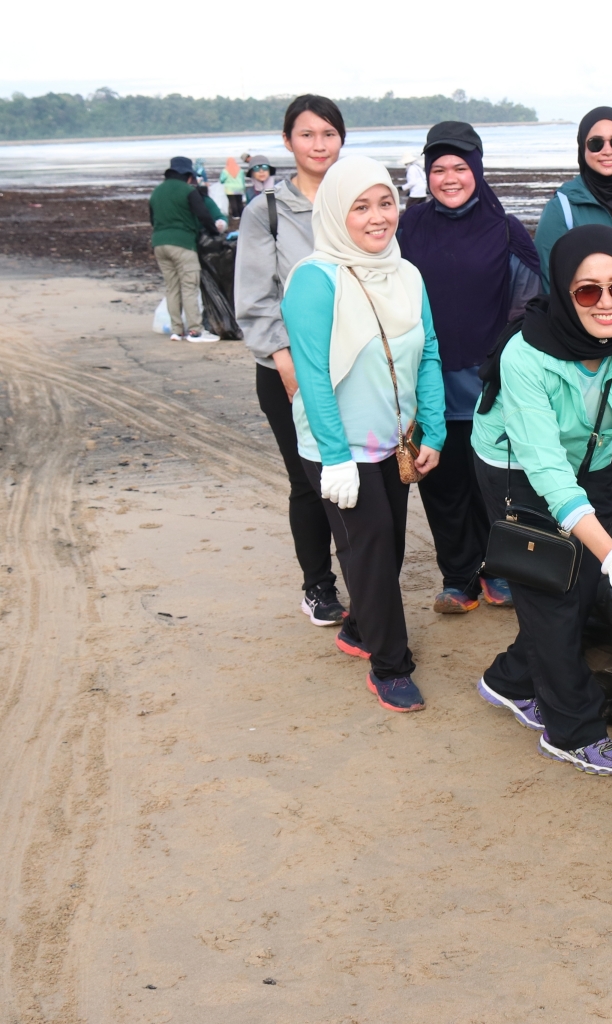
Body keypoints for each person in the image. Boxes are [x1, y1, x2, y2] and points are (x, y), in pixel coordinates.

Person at [471, 225, 612, 776]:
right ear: (564, 292)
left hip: (593, 458)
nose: (607, 303)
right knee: (553, 590)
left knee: (587, 578)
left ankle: (508, 681)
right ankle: (571, 730)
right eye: (588, 291)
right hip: (516, 466)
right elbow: (546, 470)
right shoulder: (525, 356)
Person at [281, 155, 445, 712]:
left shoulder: (408, 273)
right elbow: (312, 376)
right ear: (334, 213)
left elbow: (428, 355)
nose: (379, 218)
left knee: (387, 546)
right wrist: (335, 458)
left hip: (392, 440)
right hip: (335, 447)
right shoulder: (314, 279)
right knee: (371, 550)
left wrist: (434, 430)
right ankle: (390, 665)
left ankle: (356, 629)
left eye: (386, 202)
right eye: (361, 206)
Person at [398, 120, 542, 613]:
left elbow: (528, 303)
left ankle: (497, 571)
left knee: (494, 487)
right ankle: (458, 578)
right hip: (427, 384)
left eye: (460, 167)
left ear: (477, 170)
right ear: (427, 174)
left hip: (489, 384)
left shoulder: (503, 228)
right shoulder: (408, 227)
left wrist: (501, 361)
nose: (450, 178)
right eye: (438, 169)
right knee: (442, 486)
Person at [235, 94, 350, 626]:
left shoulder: (356, 198)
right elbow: (255, 298)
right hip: (288, 372)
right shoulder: (268, 211)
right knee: (308, 480)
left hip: (353, 366)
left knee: (357, 476)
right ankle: (318, 586)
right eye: (307, 134)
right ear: (288, 142)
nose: (318, 144)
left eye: (328, 134)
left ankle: (364, 578)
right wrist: (283, 358)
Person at [532, 107, 612, 289]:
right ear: (583, 147)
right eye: (596, 143)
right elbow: (550, 284)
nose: (607, 151)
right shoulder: (562, 209)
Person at [148, 154, 227, 343]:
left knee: (172, 287)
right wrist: (215, 234)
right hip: (182, 244)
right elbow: (204, 216)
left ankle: (177, 331)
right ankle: (195, 331)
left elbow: (153, 220)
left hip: (159, 244)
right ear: (189, 176)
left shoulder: (156, 192)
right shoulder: (188, 191)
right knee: (189, 286)